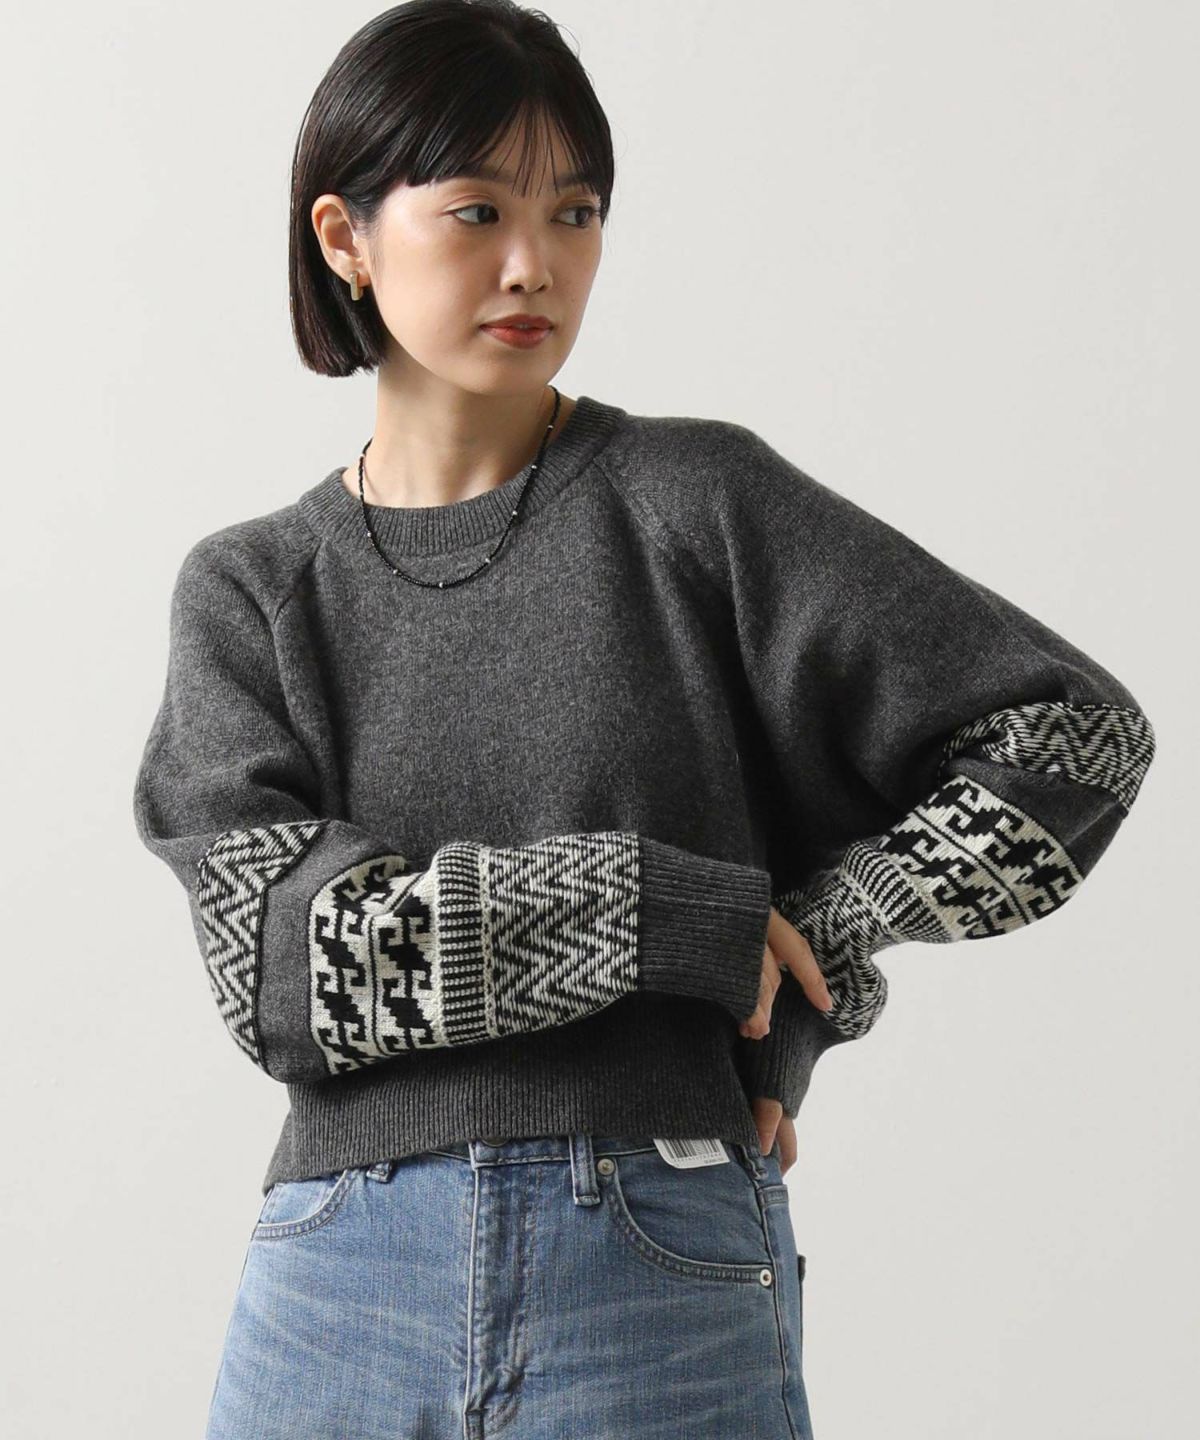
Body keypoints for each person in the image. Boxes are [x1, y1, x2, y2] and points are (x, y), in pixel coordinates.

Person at [130, 3, 1157, 1437]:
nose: (534, 264)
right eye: (477, 210)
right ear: (344, 236)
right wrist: (669, 918)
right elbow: (292, 977)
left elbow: (1074, 739)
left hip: (654, 1252)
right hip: (338, 1287)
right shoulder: (252, 590)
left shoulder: (695, 504)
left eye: (576, 211)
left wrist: (816, 940)